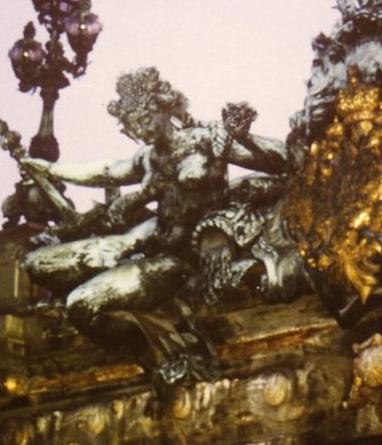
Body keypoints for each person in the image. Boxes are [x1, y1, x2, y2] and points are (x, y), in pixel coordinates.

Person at [21, 67, 288, 387]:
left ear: (164, 107)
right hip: (151, 248)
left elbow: (282, 159)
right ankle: (159, 355)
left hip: (184, 260)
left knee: (82, 303)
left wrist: (246, 138)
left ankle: (174, 355)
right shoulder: (147, 157)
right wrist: (51, 170)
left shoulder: (206, 140)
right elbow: (106, 170)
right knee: (49, 276)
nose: (140, 129)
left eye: (144, 119)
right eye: (133, 123)